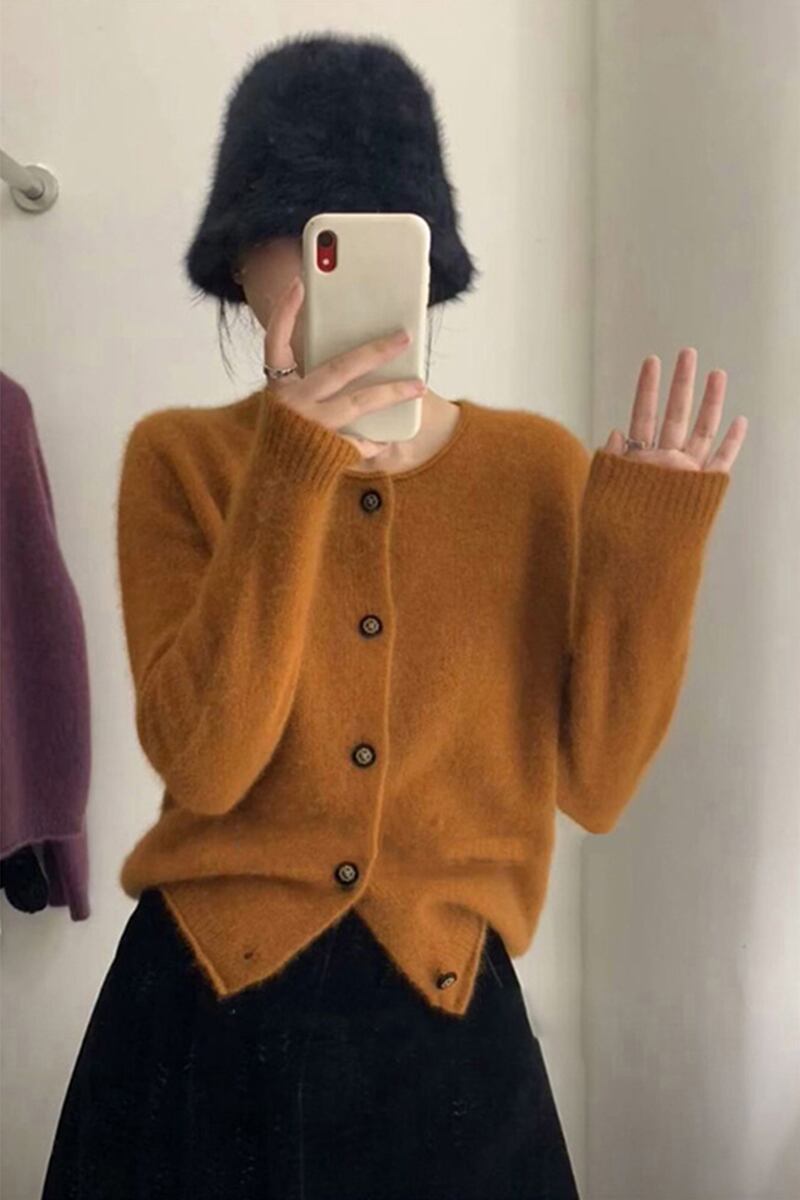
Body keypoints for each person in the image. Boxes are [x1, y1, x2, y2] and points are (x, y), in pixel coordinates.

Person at [40, 32, 745, 1200]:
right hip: (198, 1022)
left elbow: (596, 783)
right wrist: (289, 472)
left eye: (359, 239)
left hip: (446, 1028)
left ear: (421, 263)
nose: (318, 274)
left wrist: (647, 547)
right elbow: (206, 764)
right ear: (238, 263)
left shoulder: (530, 469)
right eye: (294, 236)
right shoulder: (180, 460)